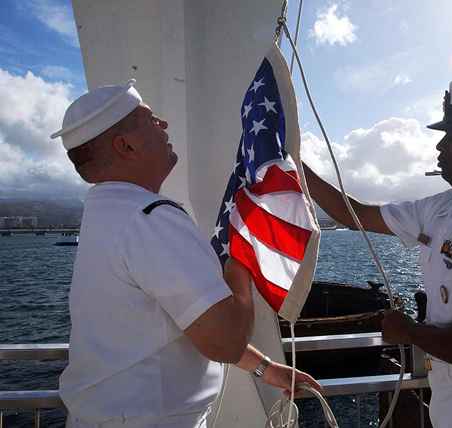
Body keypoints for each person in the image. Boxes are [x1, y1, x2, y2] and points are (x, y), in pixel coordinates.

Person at [51, 80, 320, 428]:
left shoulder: (107, 214)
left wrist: (266, 369)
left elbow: (190, 320)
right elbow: (223, 341)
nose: (163, 123)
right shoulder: (150, 219)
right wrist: (240, 263)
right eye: (149, 119)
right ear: (126, 145)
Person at [303, 81, 452, 428]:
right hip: (451, 407)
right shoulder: (444, 207)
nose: (440, 145)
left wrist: (410, 332)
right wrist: (297, 166)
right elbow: (354, 214)